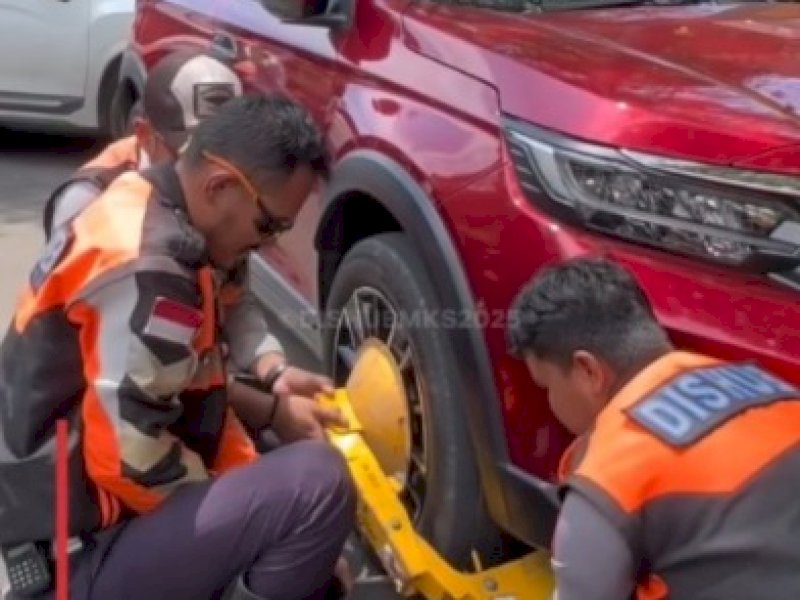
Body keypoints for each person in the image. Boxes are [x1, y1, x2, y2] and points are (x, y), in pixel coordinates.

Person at [0, 93, 355, 600]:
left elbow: (195, 391)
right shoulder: (153, 268)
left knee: (286, 469)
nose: (270, 243)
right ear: (220, 186)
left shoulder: (152, 210)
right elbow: (130, 460)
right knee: (318, 485)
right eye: (269, 224)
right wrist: (253, 526)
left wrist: (253, 475)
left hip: (82, 512)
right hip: (79, 551)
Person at [42, 48, 339, 444]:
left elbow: (233, 297)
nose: (215, 170)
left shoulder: (213, 207)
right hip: (89, 430)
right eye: (198, 151)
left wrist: (274, 370)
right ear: (146, 135)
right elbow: (144, 378)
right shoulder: (96, 211)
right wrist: (266, 408)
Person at [506, 257, 800, 600]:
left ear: (588, 371)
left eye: (547, 387)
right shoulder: (764, 386)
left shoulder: (610, 478)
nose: (550, 402)